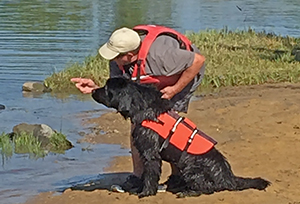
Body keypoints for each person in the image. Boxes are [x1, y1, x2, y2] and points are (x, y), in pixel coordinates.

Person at [71, 24, 206, 190]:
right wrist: (94, 89)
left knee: (168, 124)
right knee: (138, 123)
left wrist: (174, 89)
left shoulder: (161, 55)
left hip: (183, 74)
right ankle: (139, 176)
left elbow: (198, 61)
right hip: (155, 76)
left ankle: (177, 177)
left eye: (115, 56)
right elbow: (119, 94)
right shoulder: (118, 60)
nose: (111, 59)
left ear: (129, 55)